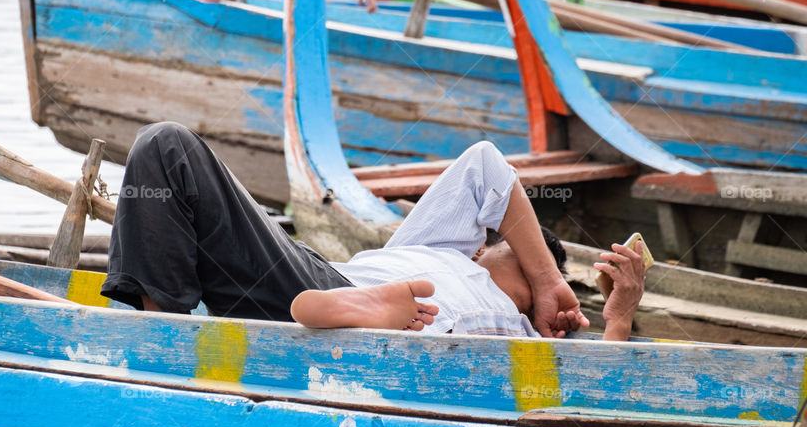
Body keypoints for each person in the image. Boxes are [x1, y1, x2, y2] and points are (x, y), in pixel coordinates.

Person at [102, 122, 646, 341]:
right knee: (165, 149)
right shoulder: (439, 250)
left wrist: (617, 317)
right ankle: (165, 331)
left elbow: (594, 385)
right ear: (488, 246)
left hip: (392, 318)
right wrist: (550, 280)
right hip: (319, 282)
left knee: (168, 145)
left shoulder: (525, 336)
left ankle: (373, 318)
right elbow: (486, 166)